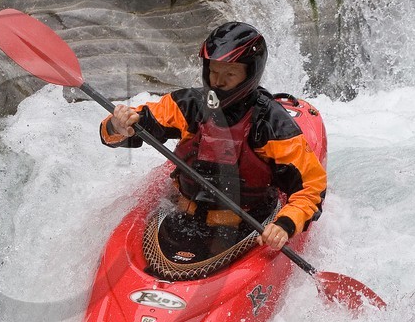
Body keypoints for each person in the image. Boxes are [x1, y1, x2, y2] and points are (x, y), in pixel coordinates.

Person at [99, 22, 326, 254]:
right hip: (183, 215)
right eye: (214, 71)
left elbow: (311, 187)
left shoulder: (271, 124)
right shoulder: (188, 105)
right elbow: (134, 126)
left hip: (247, 223)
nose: (217, 82)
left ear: (250, 74)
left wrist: (285, 224)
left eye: (229, 74)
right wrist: (118, 125)